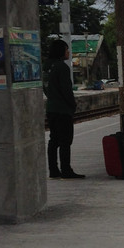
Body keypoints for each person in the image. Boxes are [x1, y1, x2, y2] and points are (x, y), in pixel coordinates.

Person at [45, 39, 85, 179]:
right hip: (63, 110)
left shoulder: (46, 66)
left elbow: (45, 87)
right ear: (61, 51)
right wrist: (72, 105)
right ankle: (66, 170)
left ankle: (53, 170)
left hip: (51, 108)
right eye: (67, 49)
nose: (68, 52)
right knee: (65, 141)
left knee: (53, 140)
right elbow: (66, 90)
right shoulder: (62, 67)